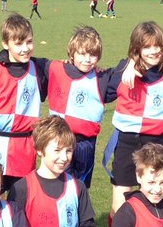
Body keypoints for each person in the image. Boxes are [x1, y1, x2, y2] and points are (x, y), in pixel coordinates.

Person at [106, 21, 163, 215]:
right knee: (121, 198)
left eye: (157, 45)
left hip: (156, 142)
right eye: (146, 47)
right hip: (126, 140)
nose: (153, 51)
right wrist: (128, 63)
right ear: (136, 49)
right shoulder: (124, 70)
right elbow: (96, 84)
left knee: (155, 196)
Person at [0, 13, 50, 191]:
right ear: (6, 44)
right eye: (19, 43)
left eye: (29, 42)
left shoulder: (39, 69)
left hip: (24, 150)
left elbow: (67, 71)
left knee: (19, 205)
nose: (25, 48)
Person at [46, 25, 115, 188]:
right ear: (72, 54)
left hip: (86, 144)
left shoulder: (102, 78)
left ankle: (78, 213)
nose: (87, 59)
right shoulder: (55, 68)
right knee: (56, 185)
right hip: (58, 139)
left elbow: (124, 69)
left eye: (93, 55)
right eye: (82, 54)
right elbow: (28, 63)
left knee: (80, 187)